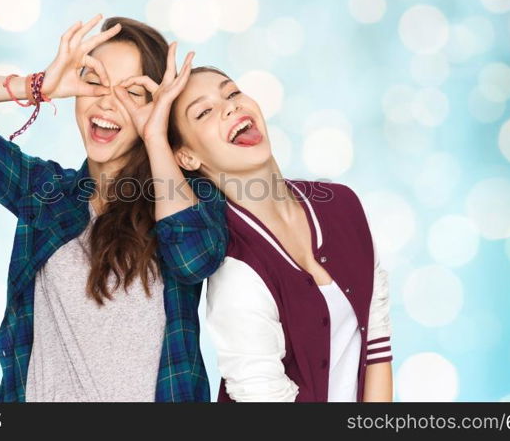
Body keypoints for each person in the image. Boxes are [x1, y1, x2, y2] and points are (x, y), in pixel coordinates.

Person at [0, 14, 226, 402]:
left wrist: (156, 136)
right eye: (95, 81)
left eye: (133, 92)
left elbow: (194, 259)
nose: (107, 101)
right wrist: (36, 86)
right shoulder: (44, 194)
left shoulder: (187, 198)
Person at [162, 65, 393, 402]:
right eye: (205, 111)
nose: (230, 106)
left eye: (232, 92)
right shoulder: (235, 267)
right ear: (187, 156)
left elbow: (377, 344)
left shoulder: (344, 206)